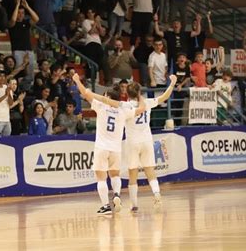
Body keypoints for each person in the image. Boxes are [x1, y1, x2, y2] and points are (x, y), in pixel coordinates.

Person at [72, 73, 146, 215]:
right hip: (116, 149)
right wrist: (140, 97)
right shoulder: (123, 110)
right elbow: (142, 109)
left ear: (108, 97)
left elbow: (84, 93)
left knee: (100, 177)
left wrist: (77, 80)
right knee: (115, 175)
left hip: (102, 147)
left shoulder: (101, 106)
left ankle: (106, 205)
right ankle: (117, 195)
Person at [126, 75, 177, 212]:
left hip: (133, 142)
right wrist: (172, 84)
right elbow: (164, 97)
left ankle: (134, 204)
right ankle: (156, 194)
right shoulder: (147, 102)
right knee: (150, 171)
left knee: (132, 173)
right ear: (139, 92)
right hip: (146, 141)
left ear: (127, 94)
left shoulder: (125, 106)